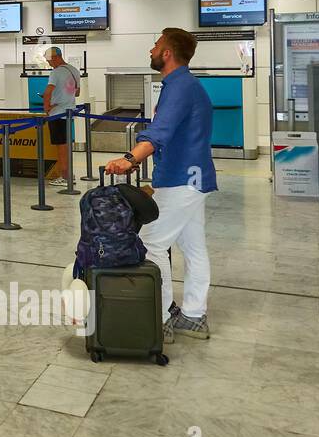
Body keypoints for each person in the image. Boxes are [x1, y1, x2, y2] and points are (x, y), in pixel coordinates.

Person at [104, 28, 216, 342]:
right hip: (188, 178)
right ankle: (194, 315)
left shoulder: (180, 86)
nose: (151, 50)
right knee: (194, 248)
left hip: (184, 179)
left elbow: (160, 131)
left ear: (167, 53)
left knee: (152, 244)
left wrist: (129, 158)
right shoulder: (184, 85)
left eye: (155, 46)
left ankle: (162, 315)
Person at [42, 47, 80, 187]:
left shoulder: (56, 72)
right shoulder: (74, 71)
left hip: (57, 113)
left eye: (50, 60)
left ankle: (65, 177)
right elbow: (77, 93)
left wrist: (47, 107)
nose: (49, 63)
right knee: (65, 144)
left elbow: (48, 92)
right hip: (69, 112)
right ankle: (68, 174)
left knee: (61, 146)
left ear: (57, 57)